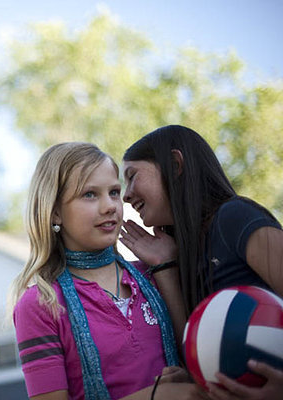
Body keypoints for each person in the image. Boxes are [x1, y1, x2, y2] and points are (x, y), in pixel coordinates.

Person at [8, 142, 206, 400]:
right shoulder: (40, 304)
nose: (110, 206)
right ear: (55, 212)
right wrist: (158, 395)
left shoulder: (152, 273)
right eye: (90, 194)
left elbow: (200, 365)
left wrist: (165, 268)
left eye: (114, 192)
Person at [120, 125, 283, 400]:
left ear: (174, 164)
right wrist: (166, 265)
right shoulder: (185, 254)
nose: (125, 195)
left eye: (132, 176)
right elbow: (199, 348)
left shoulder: (234, 217)